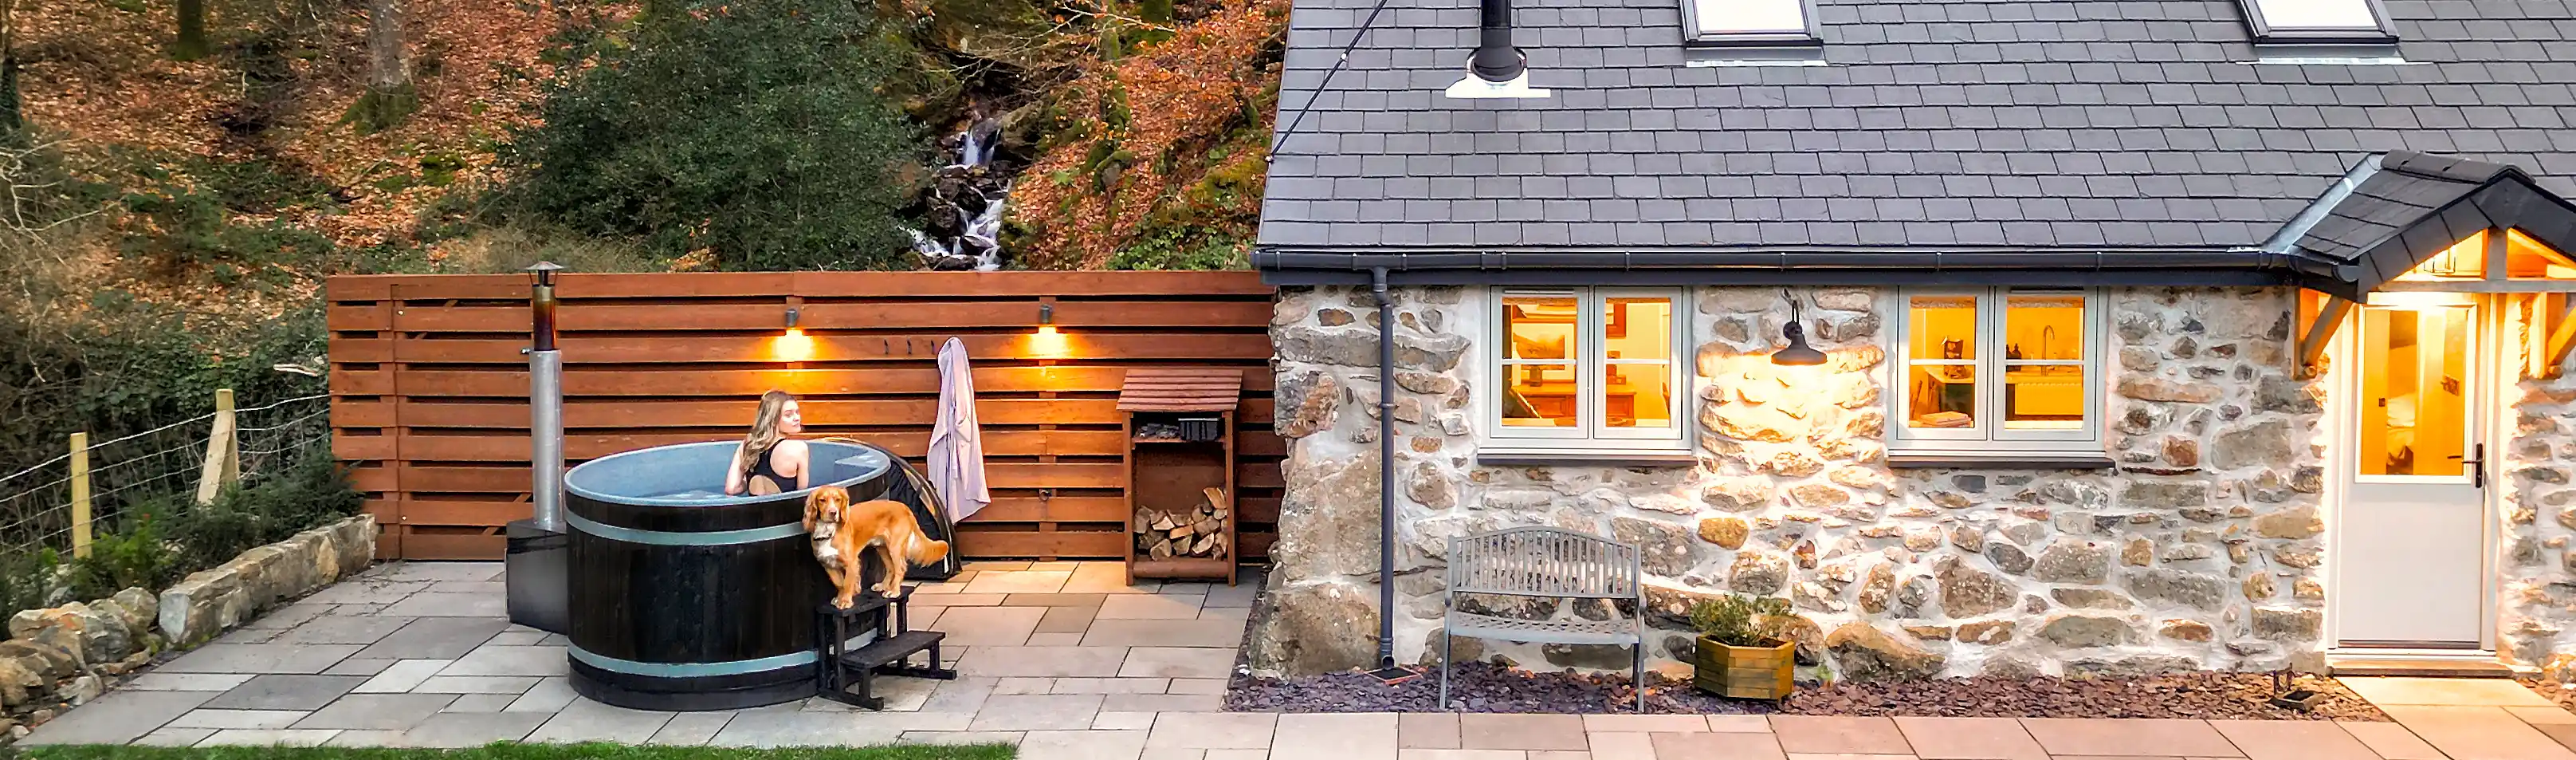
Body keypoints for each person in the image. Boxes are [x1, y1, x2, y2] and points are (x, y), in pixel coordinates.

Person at [726, 390, 810, 496]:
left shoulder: (748, 444)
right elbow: (802, 494)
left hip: (752, 511)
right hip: (785, 511)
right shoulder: (799, 448)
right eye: (788, 415)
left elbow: (731, 489)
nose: (797, 418)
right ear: (772, 419)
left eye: (797, 412)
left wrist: (754, 479)